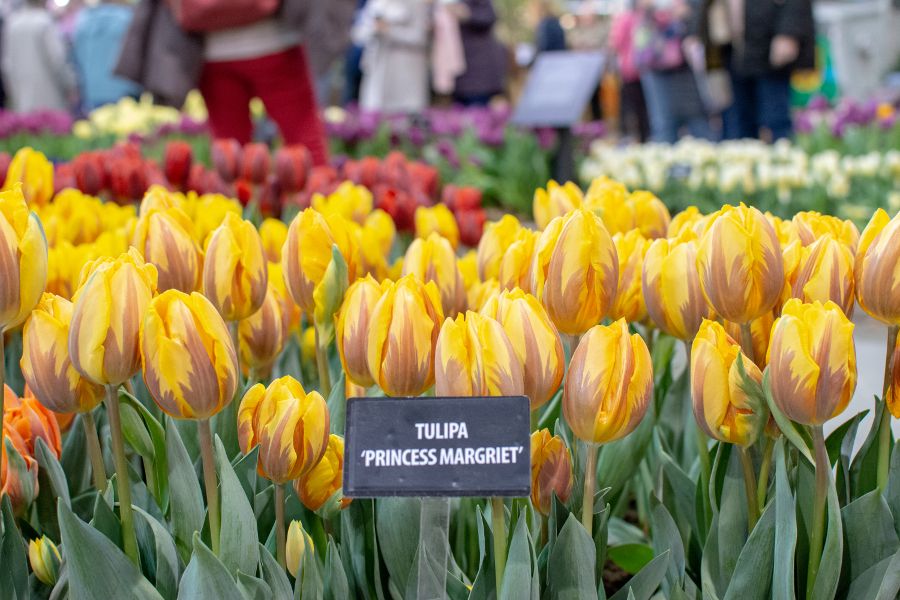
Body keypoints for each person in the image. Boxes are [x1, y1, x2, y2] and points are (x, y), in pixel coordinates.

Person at [694, 0, 814, 140]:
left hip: (767, 44)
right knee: (738, 124)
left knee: (776, 122)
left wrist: (789, 32)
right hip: (728, 48)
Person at [634, 0, 710, 143]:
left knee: (695, 118)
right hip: (657, 65)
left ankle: (704, 158)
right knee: (664, 122)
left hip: (684, 62)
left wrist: (686, 11)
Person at [355, 0, 432, 114]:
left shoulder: (416, 3)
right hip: (378, 67)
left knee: (403, 115)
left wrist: (389, 31)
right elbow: (359, 33)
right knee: (374, 113)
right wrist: (374, 29)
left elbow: (419, 37)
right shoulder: (376, 3)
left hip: (405, 69)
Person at [2, 0, 77, 112]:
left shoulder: (12, 23)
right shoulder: (45, 22)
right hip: (50, 94)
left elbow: (6, 64)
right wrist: (70, 85)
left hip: (22, 96)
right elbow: (57, 60)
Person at [73, 0, 142, 112]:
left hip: (92, 94)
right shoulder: (130, 19)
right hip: (127, 94)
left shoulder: (84, 21)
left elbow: (76, 59)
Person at [609, 1, 649, 142]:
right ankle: (645, 135)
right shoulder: (643, 16)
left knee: (631, 107)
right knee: (645, 106)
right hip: (645, 68)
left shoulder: (625, 18)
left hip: (630, 69)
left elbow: (616, 42)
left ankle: (632, 135)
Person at [453, 0, 506, 106]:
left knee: (478, 115)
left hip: (479, 75)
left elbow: (489, 16)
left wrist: (467, 14)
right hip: (459, 72)